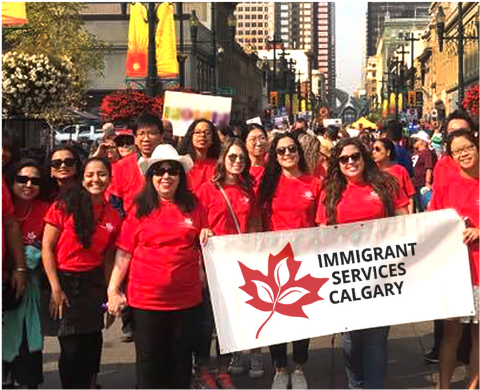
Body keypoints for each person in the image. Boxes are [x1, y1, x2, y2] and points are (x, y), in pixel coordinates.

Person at [107, 144, 212, 389]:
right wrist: (113, 290)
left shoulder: (194, 206)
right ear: (150, 176)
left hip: (186, 299)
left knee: (181, 359)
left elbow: (203, 241)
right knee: (149, 361)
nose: (166, 176)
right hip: (146, 301)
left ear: (180, 175)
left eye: (172, 170)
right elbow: (124, 253)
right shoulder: (138, 209)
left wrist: (207, 233)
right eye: (159, 171)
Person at [316, 138, 408, 389]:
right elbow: (323, 231)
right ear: (337, 164)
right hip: (347, 277)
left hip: (382, 272)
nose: (350, 162)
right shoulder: (331, 191)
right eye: (343, 159)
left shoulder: (386, 184)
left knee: (376, 339)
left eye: (355, 156)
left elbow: (404, 221)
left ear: (364, 158)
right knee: (351, 339)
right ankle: (356, 384)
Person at [42, 157, 121, 389]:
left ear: (110, 178)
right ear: (82, 178)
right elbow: (47, 247)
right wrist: (56, 288)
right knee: (70, 347)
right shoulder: (64, 205)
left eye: (102, 174)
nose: (96, 179)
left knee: (92, 341)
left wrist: (110, 293)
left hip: (93, 283)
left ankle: (89, 384)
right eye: (90, 174)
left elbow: (107, 258)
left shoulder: (113, 216)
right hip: (65, 282)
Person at [258, 133, 322, 389]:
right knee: (276, 316)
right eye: (281, 150)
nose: (287, 154)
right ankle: (280, 368)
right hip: (273, 260)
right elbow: (256, 218)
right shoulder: (267, 183)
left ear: (299, 151)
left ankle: (298, 367)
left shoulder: (314, 182)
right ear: (275, 156)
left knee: (299, 316)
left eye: (291, 149)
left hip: (305, 259)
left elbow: (321, 220)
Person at [197, 139, 263, 387]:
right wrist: (202, 230)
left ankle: (223, 368)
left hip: (239, 264)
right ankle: (203, 369)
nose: (237, 162)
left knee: (228, 321)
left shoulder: (248, 190)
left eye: (241, 159)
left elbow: (255, 223)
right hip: (212, 265)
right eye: (232, 157)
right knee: (206, 322)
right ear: (223, 160)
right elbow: (197, 222)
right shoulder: (206, 190)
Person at [428, 130, 479, 389]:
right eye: (458, 151)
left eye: (468, 147)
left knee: (478, 337)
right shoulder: (447, 185)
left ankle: (472, 386)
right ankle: (444, 386)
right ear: (451, 156)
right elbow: (431, 223)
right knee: (451, 335)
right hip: (454, 272)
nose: (464, 154)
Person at [3, 159, 51, 389]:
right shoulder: (5, 205)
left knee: (28, 342)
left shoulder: (47, 209)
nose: (28, 184)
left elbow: (51, 248)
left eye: (35, 181)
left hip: (32, 289)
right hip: (5, 283)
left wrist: (31, 258)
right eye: (22, 179)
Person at [109, 113, 165, 217]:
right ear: (135, 138)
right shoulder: (121, 166)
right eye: (141, 134)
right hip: (132, 226)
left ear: (162, 136)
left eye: (152, 133)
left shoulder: (172, 166)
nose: (146, 139)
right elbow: (115, 202)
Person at [178, 119, 222, 195]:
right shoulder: (181, 163)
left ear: (213, 139)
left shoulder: (218, 166)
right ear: (191, 136)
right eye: (197, 132)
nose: (202, 135)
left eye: (207, 133)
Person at [372, 138, 415, 214]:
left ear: (388, 152)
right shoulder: (372, 173)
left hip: (401, 215)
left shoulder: (401, 170)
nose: (374, 152)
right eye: (373, 149)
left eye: (377, 149)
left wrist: (410, 216)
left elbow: (410, 196)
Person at [411, 131, 437, 212]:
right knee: (417, 206)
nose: (414, 142)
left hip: (422, 184)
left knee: (423, 207)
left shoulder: (426, 152)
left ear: (423, 141)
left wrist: (427, 182)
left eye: (417, 140)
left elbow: (428, 167)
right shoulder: (416, 153)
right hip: (415, 184)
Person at [243, 124, 269, 194]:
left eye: (262, 138)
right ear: (244, 143)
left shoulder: (274, 166)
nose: (258, 143)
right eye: (253, 139)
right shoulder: (239, 168)